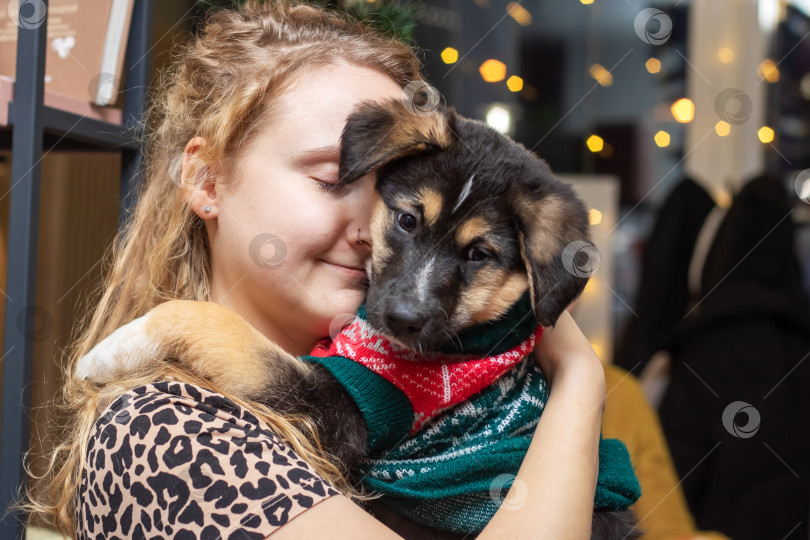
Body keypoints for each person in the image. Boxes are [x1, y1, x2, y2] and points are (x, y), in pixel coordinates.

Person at [27, 2, 608, 538]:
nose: (368, 224)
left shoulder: (406, 374)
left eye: (383, 188)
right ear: (207, 181)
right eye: (333, 180)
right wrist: (579, 379)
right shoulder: (163, 432)